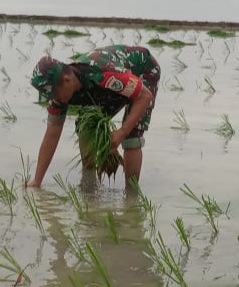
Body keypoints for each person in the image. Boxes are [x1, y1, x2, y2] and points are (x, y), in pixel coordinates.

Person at [27, 44, 160, 188]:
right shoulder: (60, 94)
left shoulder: (101, 73)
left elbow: (145, 96)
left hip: (142, 70)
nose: (54, 98)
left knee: (131, 137)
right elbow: (51, 135)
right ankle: (89, 183)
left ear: (66, 80)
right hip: (108, 87)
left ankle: (131, 195)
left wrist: (121, 133)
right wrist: (37, 181)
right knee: (86, 126)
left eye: (54, 93)